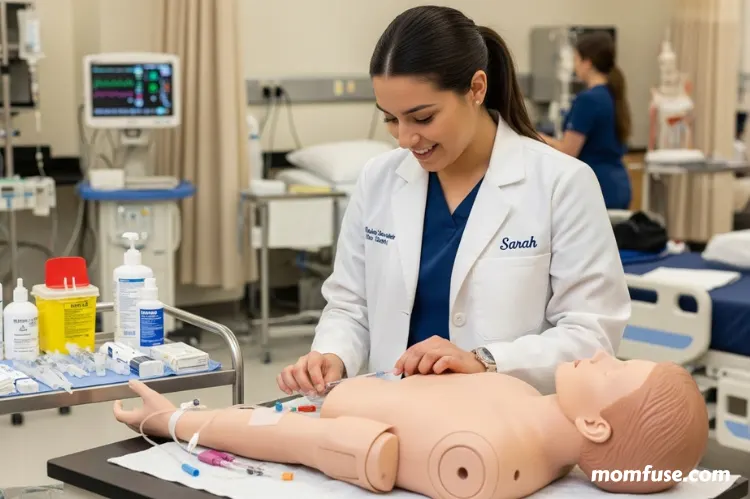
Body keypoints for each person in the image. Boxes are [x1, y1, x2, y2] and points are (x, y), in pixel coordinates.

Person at [278, 6, 630, 397]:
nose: (405, 139)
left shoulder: (561, 183)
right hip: (394, 416)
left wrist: (485, 361)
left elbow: (591, 334)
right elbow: (350, 305)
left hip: (507, 424)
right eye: (391, 119)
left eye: (423, 118)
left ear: (477, 89)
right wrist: (332, 354)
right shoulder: (378, 180)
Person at [115, 351, 709, 498]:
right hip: (337, 390)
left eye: (614, 369)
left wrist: (175, 420)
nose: (602, 355)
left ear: (595, 427)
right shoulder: (518, 391)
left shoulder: (477, 460)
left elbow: (298, 440)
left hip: (328, 413)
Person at [540, 31, 633, 210]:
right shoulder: (613, 94)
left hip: (598, 187)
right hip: (618, 185)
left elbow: (568, 150)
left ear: (587, 63)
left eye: (576, 59)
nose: (574, 66)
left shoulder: (588, 100)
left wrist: (537, 137)